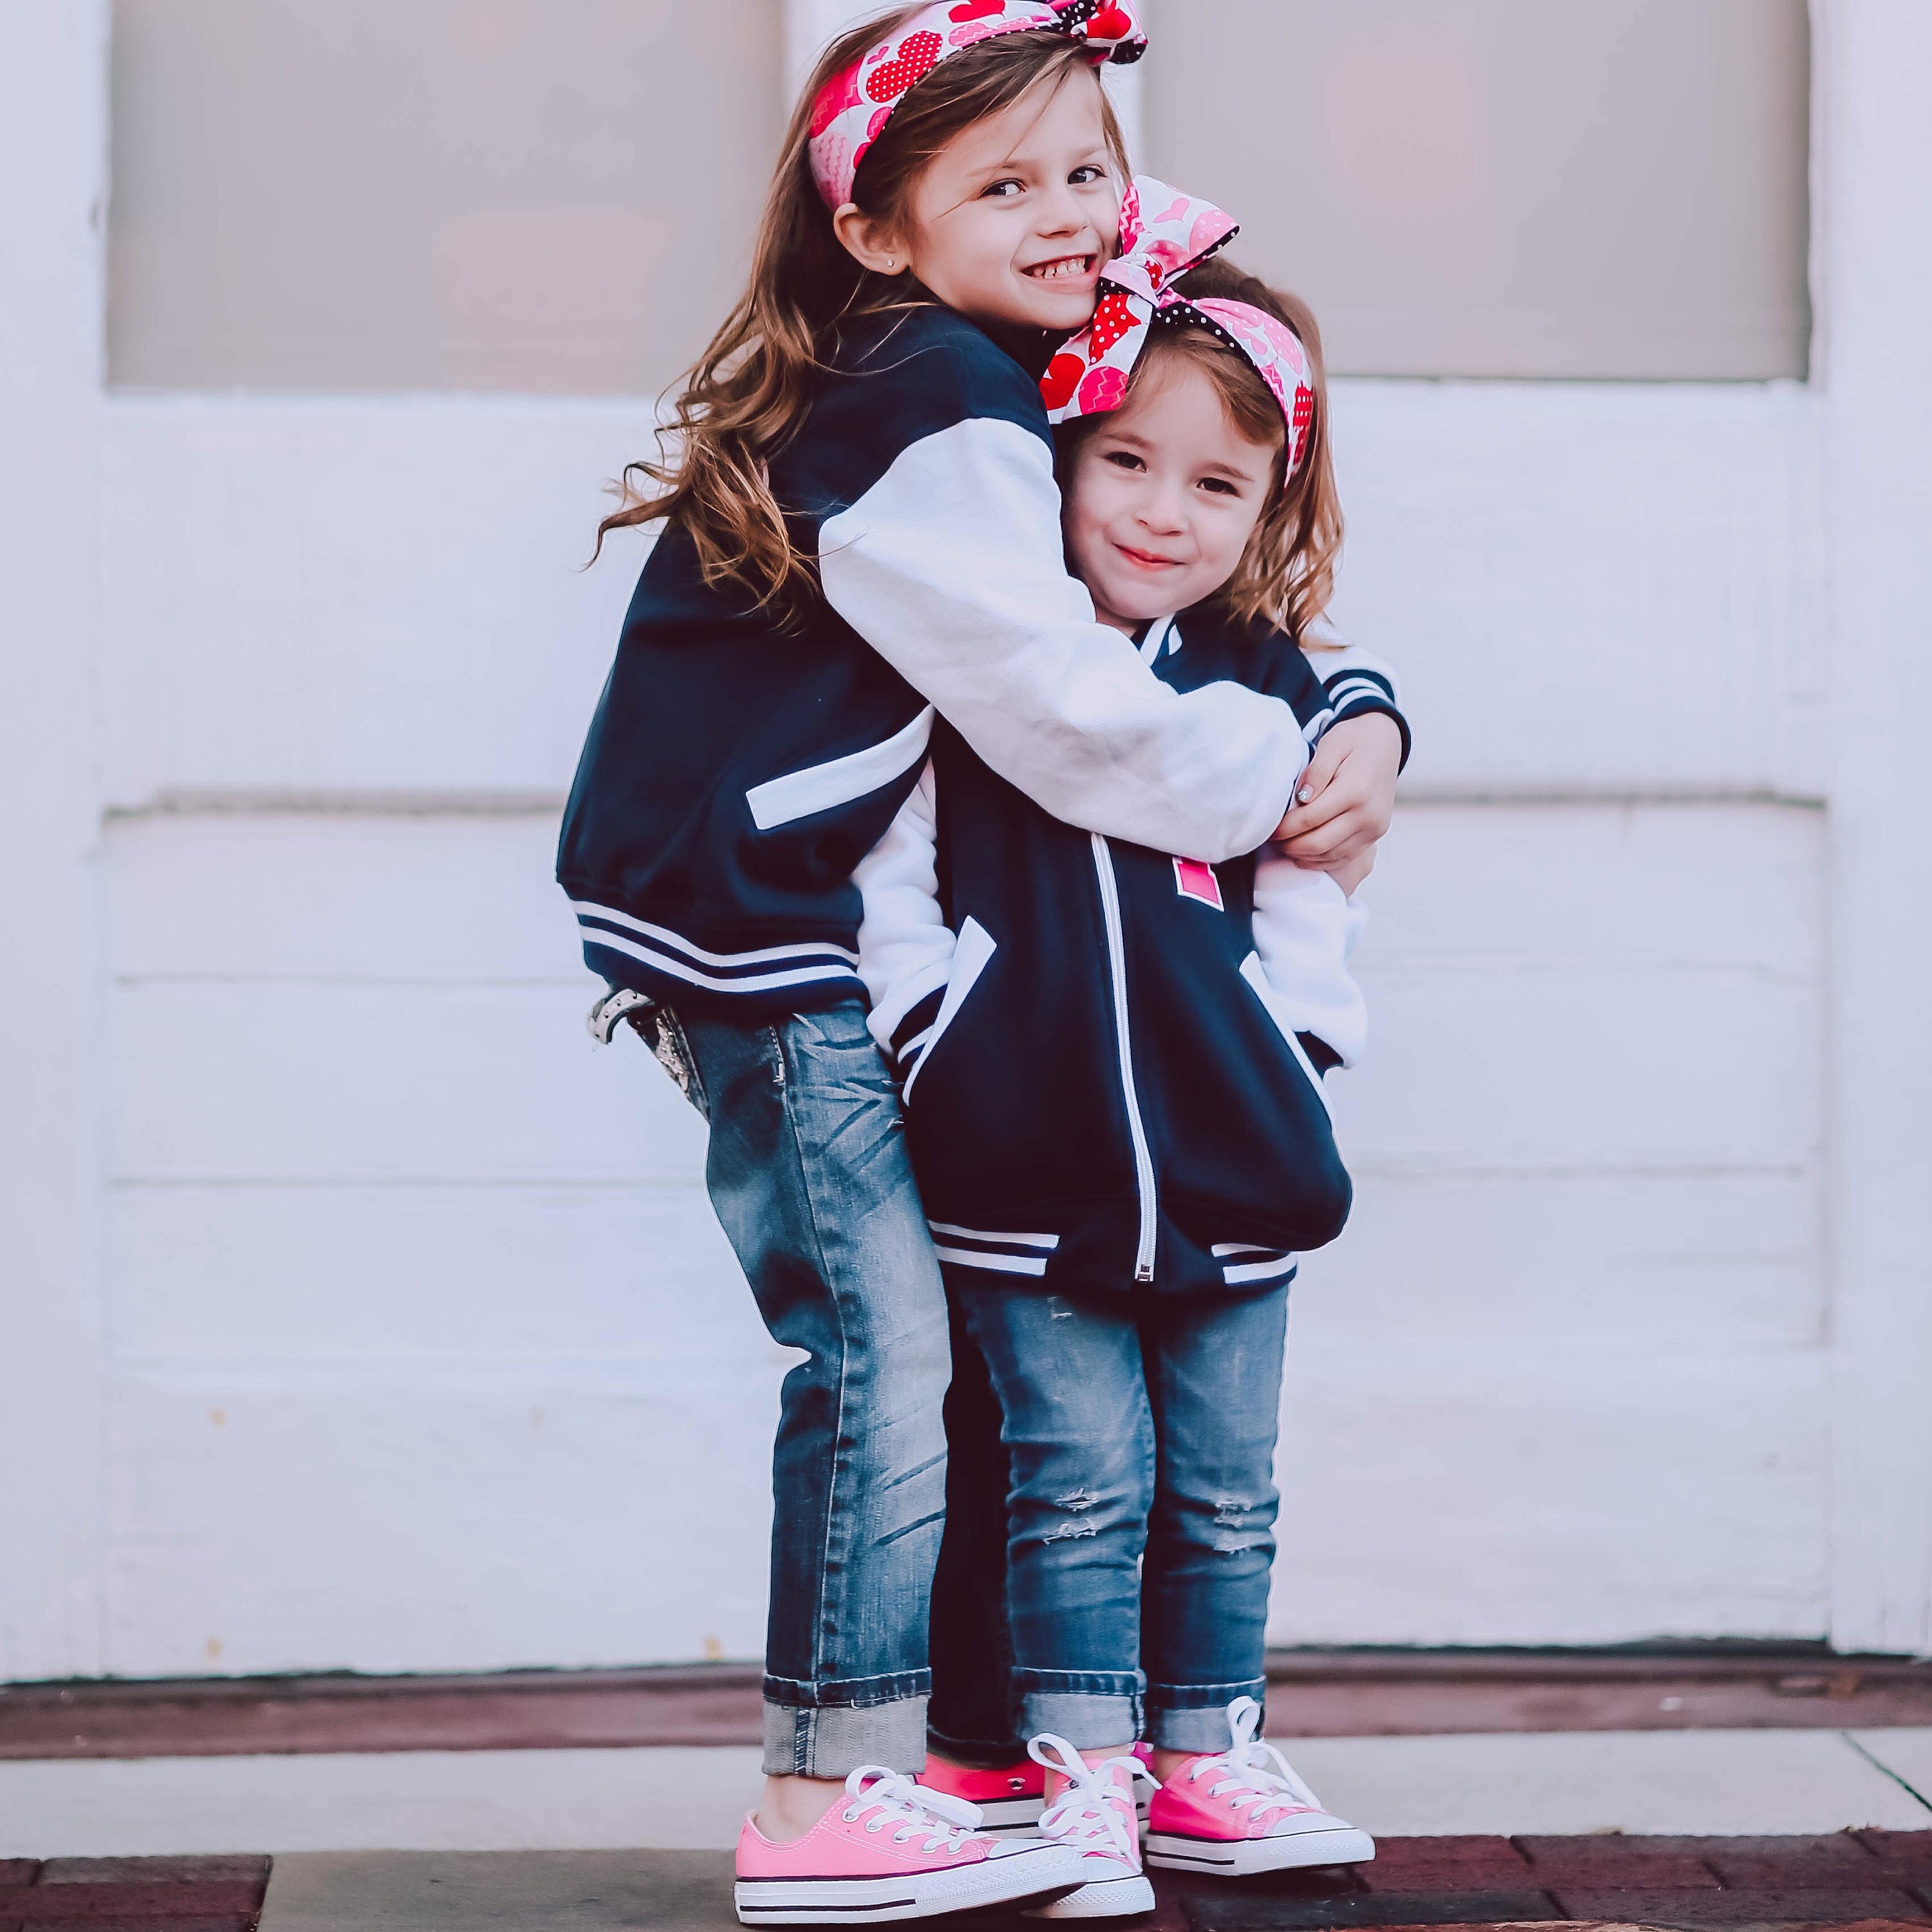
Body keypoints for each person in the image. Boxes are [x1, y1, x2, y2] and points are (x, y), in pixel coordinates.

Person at [556, 5, 1403, 1920]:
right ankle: (822, 1802)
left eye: (1087, 170)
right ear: (873, 226)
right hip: (760, 931)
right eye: (1004, 181)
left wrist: (1353, 707)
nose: (1069, 210)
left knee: (919, 1369)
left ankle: (963, 1762)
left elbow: (1216, 612)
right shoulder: (938, 401)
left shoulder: (944, 372)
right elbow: (1058, 704)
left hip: (753, 918)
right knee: (877, 1357)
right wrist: (1280, 781)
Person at [855, 191, 1388, 1917]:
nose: (1165, 513)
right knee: (1074, 1483)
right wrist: (938, 1034)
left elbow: (1312, 883)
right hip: (1026, 1154)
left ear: (1266, 509)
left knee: (1224, 1489)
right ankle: (1081, 1777)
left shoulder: (1259, 675)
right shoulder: (986, 663)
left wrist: (1296, 1041)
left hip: (1234, 1150)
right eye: (1128, 465)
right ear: (1060, 461)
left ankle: (1208, 1755)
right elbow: (900, 878)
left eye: (1218, 484)